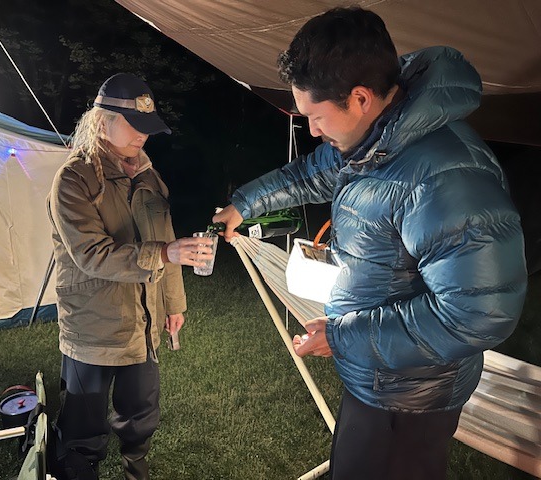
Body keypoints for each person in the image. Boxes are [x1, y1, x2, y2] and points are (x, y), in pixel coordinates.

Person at [213, 7, 527, 480]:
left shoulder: (445, 176)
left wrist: (342, 337)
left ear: (360, 97)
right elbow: (310, 173)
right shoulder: (376, 140)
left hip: (411, 397)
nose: (312, 131)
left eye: (316, 116)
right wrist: (244, 204)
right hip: (379, 374)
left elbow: (479, 313)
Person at [47, 73, 213, 480]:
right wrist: (164, 253)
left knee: (141, 414)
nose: (143, 135)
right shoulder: (75, 178)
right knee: (83, 426)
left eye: (148, 126)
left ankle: (135, 470)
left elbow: (166, 241)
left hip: (144, 322)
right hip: (93, 328)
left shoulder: (150, 178)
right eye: (134, 125)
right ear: (102, 122)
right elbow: (91, 255)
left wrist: (174, 305)